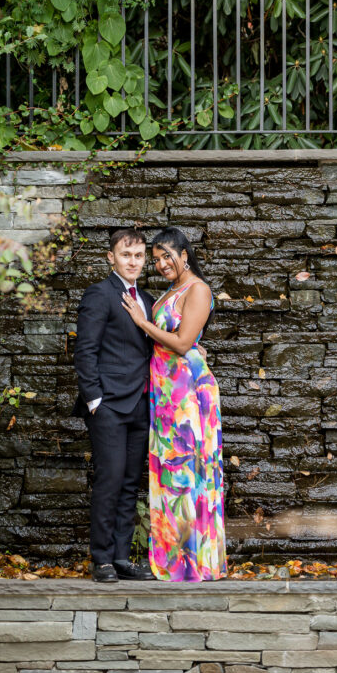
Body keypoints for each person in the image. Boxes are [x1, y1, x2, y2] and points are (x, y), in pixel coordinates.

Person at [121, 226, 226, 582]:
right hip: (167, 394)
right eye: (157, 259)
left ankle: (194, 563)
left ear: (184, 254)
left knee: (187, 476)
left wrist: (141, 321)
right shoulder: (172, 291)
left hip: (187, 395)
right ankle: (176, 559)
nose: (162, 263)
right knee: (169, 475)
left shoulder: (198, 289)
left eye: (168, 256)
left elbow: (182, 343)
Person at [73, 227, 156, 583]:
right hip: (107, 405)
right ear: (111, 258)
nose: (133, 261)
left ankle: (122, 557)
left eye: (138, 256)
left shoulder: (149, 301)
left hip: (141, 403)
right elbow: (85, 350)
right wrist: (94, 401)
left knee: (128, 484)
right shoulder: (99, 294)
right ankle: (102, 559)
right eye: (126, 255)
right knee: (109, 481)